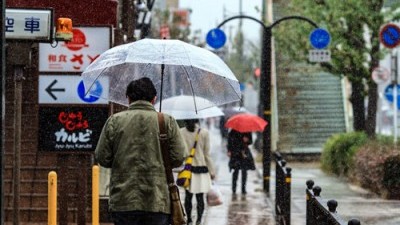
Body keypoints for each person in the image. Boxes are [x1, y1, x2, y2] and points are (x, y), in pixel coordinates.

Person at [95, 77, 187, 225]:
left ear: (129, 98)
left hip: (123, 200)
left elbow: (102, 157)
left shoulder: (114, 121)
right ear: (154, 98)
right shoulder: (166, 121)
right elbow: (179, 157)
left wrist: (121, 160)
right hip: (157, 199)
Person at [180, 119, 215, 225]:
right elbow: (207, 154)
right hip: (201, 168)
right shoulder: (204, 133)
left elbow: (179, 151)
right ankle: (199, 220)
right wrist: (212, 171)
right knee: (200, 197)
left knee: (188, 196)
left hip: (187, 169)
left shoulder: (181, 132)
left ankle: (189, 219)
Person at [227, 129, 255, 195]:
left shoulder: (247, 131)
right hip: (235, 153)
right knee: (235, 171)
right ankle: (234, 189)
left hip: (244, 153)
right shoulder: (233, 131)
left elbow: (250, 141)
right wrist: (229, 150)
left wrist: (247, 140)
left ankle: (243, 189)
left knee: (244, 171)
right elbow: (229, 141)